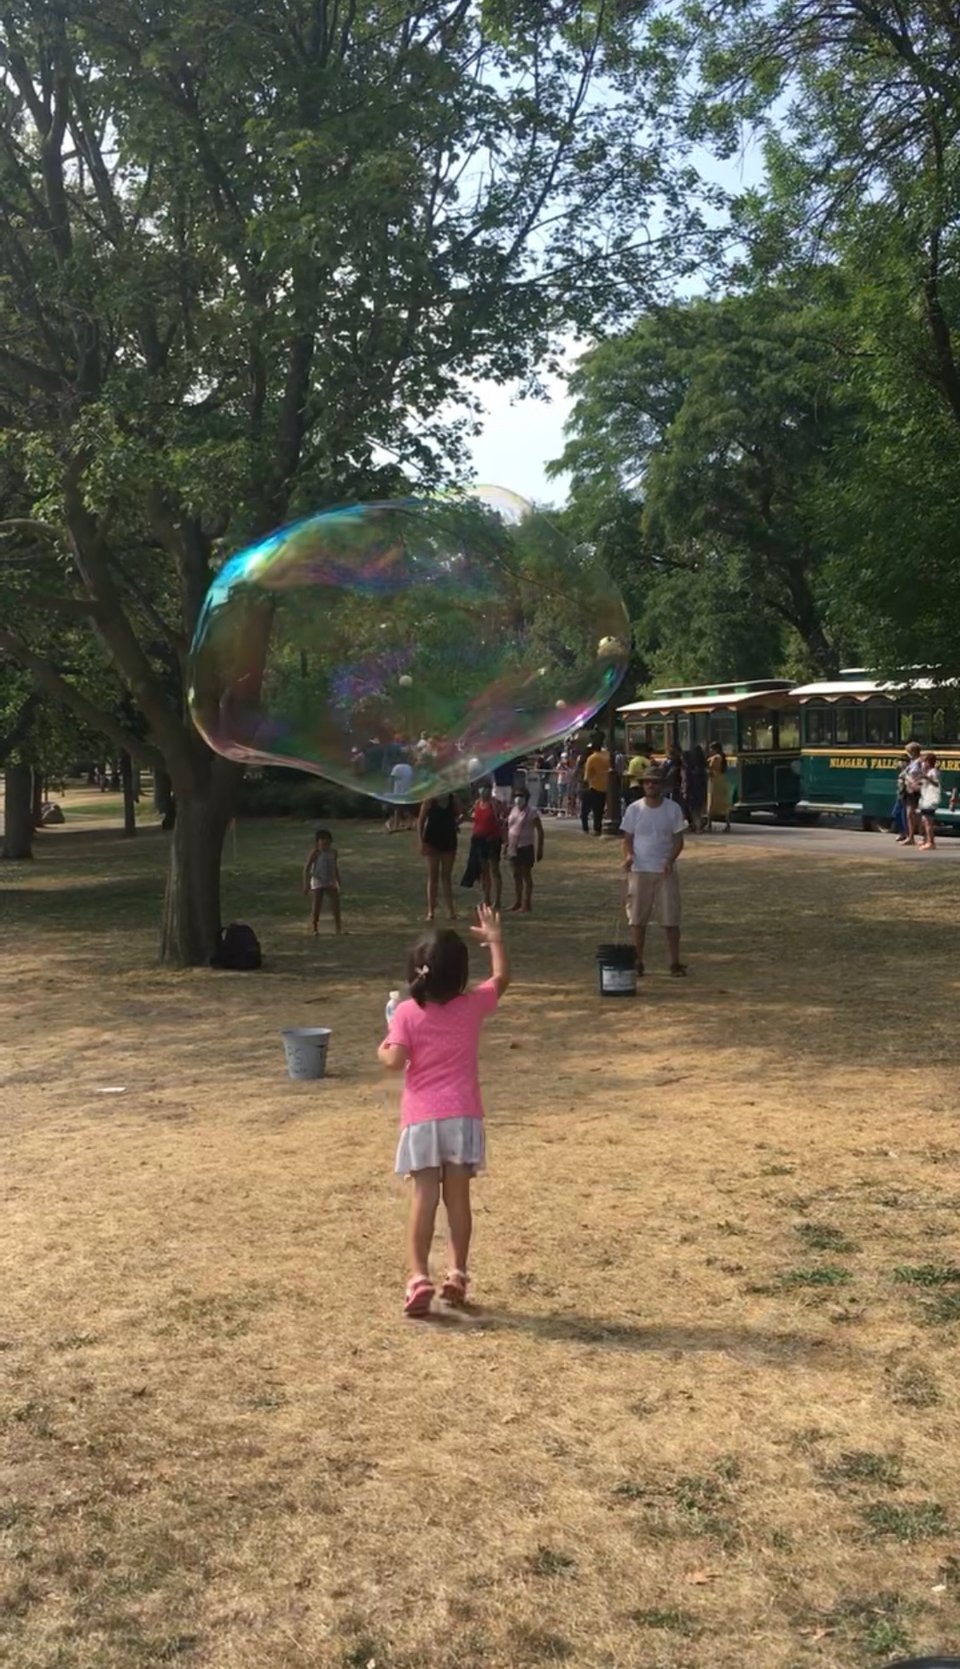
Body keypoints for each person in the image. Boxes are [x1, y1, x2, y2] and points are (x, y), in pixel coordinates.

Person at [378, 904, 509, 1317]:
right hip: (464, 1116)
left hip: (422, 1120)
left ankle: (418, 1276)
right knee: (458, 1200)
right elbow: (501, 979)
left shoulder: (405, 1013)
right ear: (460, 976)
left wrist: (384, 1041)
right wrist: (494, 940)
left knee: (424, 1198)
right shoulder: (471, 1007)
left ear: (416, 971)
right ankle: (457, 1273)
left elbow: (394, 1060)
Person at [620, 765, 687, 976]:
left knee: (670, 919)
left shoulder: (672, 809)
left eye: (655, 782)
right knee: (637, 919)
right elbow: (628, 838)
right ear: (642, 785)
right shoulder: (634, 809)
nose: (650, 785)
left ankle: (674, 963)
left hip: (664, 870)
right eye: (647, 782)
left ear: (661, 786)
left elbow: (678, 840)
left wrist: (670, 859)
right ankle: (638, 962)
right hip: (640, 870)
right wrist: (629, 856)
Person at [418, 793, 461, 922]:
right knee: (433, 876)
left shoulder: (453, 799)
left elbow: (462, 813)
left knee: (446, 877)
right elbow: (420, 821)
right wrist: (421, 841)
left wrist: (455, 823)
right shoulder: (429, 800)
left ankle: (451, 911)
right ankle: (431, 911)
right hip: (432, 840)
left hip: (449, 840)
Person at [506, 788, 545, 912]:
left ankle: (526, 903)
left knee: (525, 875)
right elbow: (510, 829)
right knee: (516, 875)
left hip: (526, 847)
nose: (518, 798)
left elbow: (540, 831)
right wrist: (506, 846)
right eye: (516, 796)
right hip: (513, 847)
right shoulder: (513, 810)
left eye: (521, 796)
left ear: (526, 798)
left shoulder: (532, 812)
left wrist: (540, 849)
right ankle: (517, 902)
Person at [469, 782, 504, 908]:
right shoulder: (477, 803)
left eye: (487, 789)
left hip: (492, 840)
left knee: (494, 869)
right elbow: (473, 818)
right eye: (482, 788)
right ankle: (486, 899)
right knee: (484, 871)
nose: (484, 791)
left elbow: (503, 818)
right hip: (479, 840)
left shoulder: (495, 804)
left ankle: (498, 900)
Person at [302, 827, 342, 934]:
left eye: (327, 843)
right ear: (317, 842)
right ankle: (314, 927)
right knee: (317, 905)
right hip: (317, 880)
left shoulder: (333, 852)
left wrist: (337, 880)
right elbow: (307, 868)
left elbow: (335, 866)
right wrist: (306, 884)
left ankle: (338, 927)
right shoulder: (315, 853)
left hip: (330, 880)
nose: (325, 845)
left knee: (335, 905)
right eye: (322, 842)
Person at [895, 741, 924, 845]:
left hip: (914, 790)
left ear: (913, 751)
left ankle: (916, 837)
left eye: (908, 751)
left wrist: (909, 778)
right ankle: (911, 837)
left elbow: (920, 775)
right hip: (909, 790)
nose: (907, 753)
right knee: (910, 814)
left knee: (913, 814)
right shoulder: (913, 762)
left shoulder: (919, 762)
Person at [581, 741, 610, 836]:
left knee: (585, 809)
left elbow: (586, 776)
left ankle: (585, 828)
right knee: (599, 810)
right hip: (605, 787)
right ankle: (598, 828)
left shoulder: (591, 758)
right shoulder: (607, 756)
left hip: (593, 786)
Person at [706, 740, 732, 833]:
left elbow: (710, 768)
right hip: (721, 780)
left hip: (715, 781)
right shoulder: (721, 757)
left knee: (712, 802)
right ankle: (727, 823)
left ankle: (709, 824)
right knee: (723, 804)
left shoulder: (716, 758)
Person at [918, 752, 941, 850]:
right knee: (924, 820)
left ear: (928, 762)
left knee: (928, 822)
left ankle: (931, 843)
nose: (923, 764)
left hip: (931, 799)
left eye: (924, 761)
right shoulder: (928, 772)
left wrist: (926, 777)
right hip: (925, 799)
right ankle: (926, 840)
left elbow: (936, 783)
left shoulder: (933, 772)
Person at [683, 745, 708, 832]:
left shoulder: (689, 768)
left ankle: (697, 826)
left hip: (692, 790)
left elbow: (687, 781)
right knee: (698, 809)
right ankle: (699, 825)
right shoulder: (702, 766)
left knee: (693, 810)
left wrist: (685, 791)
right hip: (700, 789)